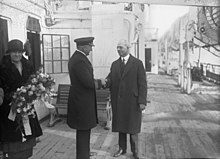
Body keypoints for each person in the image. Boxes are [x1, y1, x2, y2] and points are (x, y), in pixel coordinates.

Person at [104, 39, 147, 159]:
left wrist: (142, 101)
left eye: (121, 47)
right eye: (117, 47)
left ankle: (135, 151)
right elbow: (110, 79)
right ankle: (122, 149)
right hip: (119, 101)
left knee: (133, 128)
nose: (118, 50)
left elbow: (142, 84)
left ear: (128, 48)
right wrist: (105, 82)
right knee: (121, 127)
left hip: (133, 101)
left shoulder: (137, 63)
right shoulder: (114, 64)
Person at [0, 39, 43, 159]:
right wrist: (14, 97)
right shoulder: (3, 67)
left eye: (19, 52)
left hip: (26, 105)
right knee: (13, 137)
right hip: (10, 107)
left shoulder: (27, 64)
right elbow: (2, 86)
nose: (17, 55)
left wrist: (32, 92)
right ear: (9, 53)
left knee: (27, 136)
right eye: (14, 52)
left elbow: (32, 80)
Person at [67, 37, 101, 159]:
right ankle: (82, 155)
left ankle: (84, 153)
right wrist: (102, 83)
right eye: (90, 47)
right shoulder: (80, 61)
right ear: (83, 47)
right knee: (83, 130)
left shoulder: (78, 58)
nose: (91, 49)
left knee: (84, 130)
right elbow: (87, 82)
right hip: (82, 102)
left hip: (80, 100)